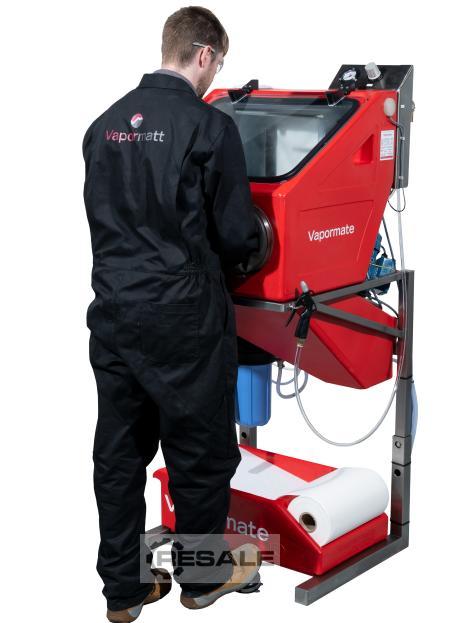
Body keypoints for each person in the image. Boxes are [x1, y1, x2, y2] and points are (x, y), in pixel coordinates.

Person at [82, 5, 263, 619]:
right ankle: (202, 579)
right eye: (219, 63)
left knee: (119, 454)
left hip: (114, 312)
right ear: (205, 54)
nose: (216, 76)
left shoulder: (103, 125)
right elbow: (236, 236)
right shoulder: (210, 127)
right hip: (183, 317)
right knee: (200, 450)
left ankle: (124, 591)